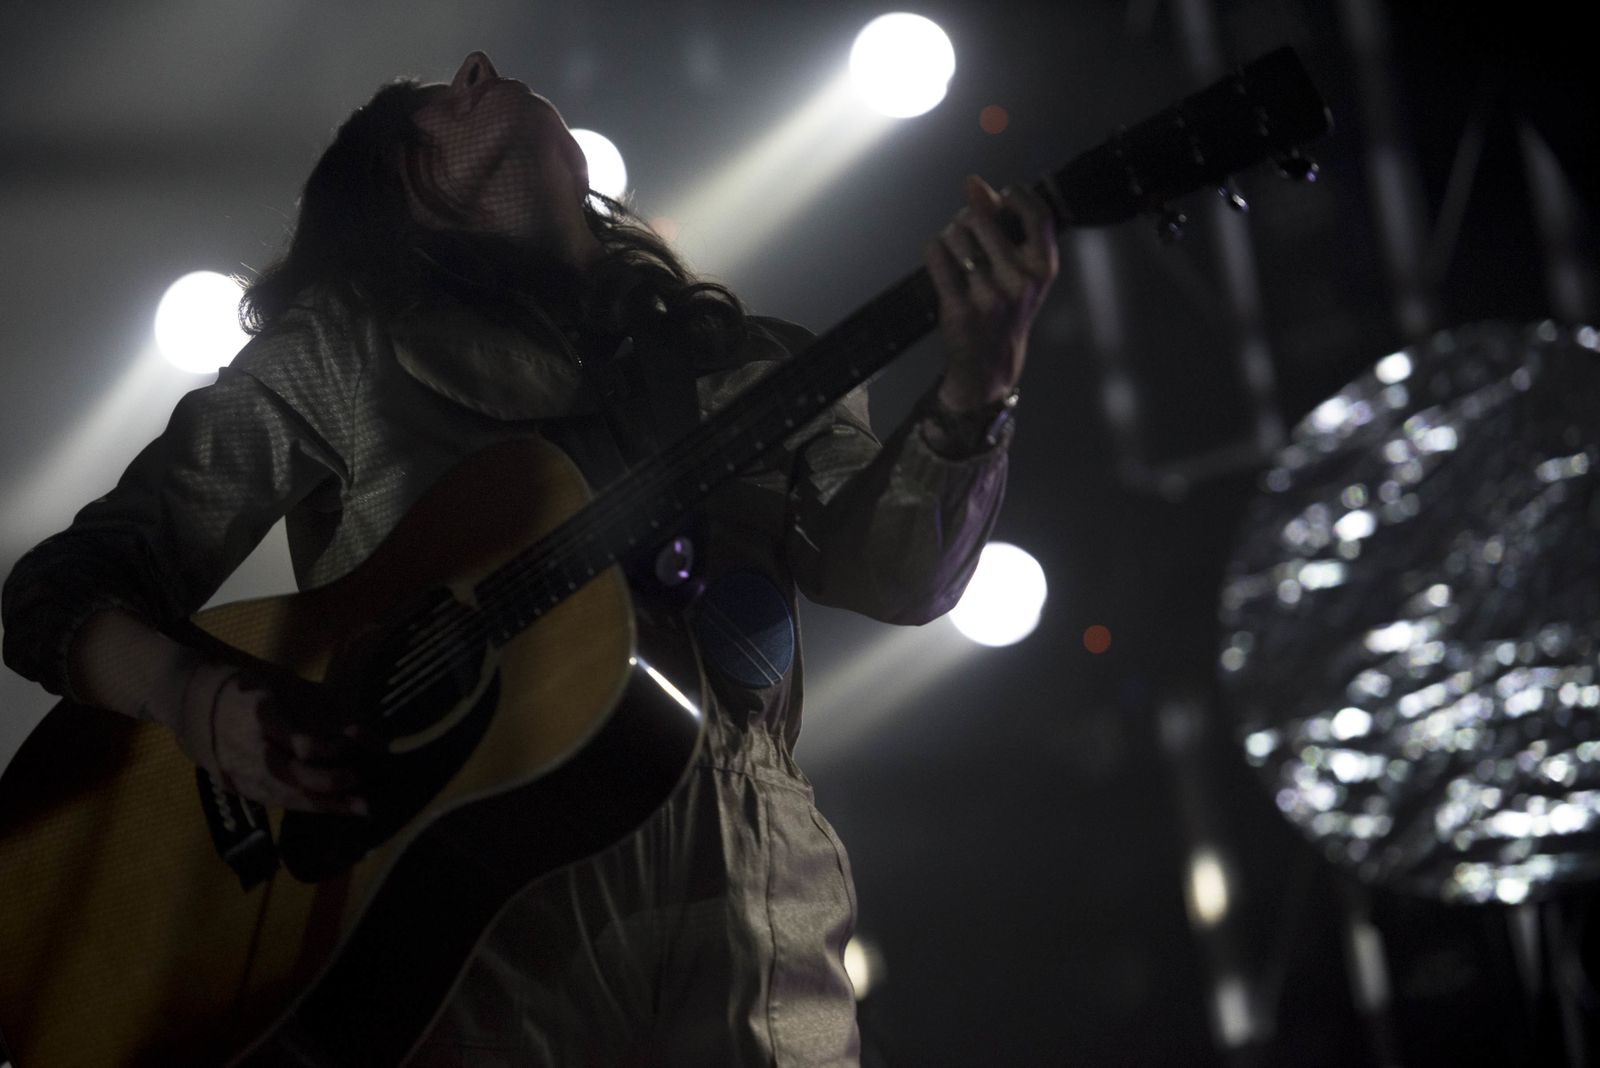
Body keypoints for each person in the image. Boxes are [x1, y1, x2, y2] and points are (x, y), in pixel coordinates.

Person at [1, 50, 1058, 1065]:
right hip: (477, 916)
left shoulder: (748, 364)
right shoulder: (341, 350)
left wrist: (977, 391)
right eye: (425, 110)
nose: (473, 64)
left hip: (762, 889)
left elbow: (901, 576)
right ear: (392, 202)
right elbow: (58, 592)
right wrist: (204, 704)